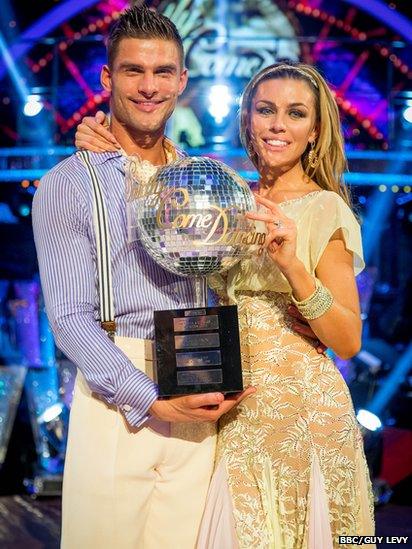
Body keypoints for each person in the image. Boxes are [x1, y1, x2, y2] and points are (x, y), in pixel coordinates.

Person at [75, 61, 375, 547]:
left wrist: (294, 267)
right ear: (247, 120)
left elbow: (347, 339)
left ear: (315, 131)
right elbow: (154, 171)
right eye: (266, 110)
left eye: (295, 113)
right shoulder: (225, 198)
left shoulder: (326, 208)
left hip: (298, 412)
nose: (278, 124)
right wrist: (98, 130)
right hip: (227, 410)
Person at [32, 6, 253, 549]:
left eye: (162, 72)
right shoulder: (67, 184)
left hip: (197, 379)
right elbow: (68, 320)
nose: (149, 87)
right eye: (133, 71)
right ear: (108, 79)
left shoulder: (204, 180)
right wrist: (151, 398)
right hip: (118, 390)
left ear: (182, 79)